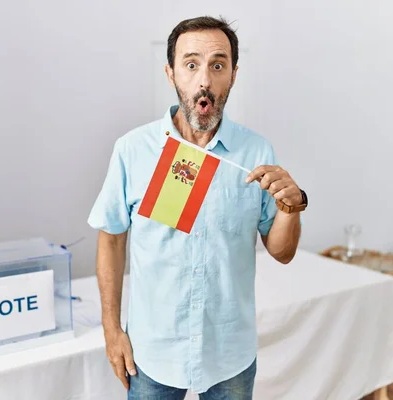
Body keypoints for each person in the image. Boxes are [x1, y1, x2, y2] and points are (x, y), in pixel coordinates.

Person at [87, 15, 307, 400]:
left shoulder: (257, 152)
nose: (204, 79)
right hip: (151, 353)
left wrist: (290, 208)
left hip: (229, 355)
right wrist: (111, 331)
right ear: (170, 74)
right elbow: (111, 240)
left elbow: (282, 252)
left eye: (217, 65)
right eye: (191, 64)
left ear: (233, 75)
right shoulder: (133, 150)